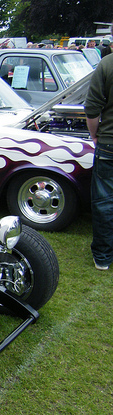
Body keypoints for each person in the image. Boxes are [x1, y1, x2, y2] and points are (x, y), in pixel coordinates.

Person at [85, 50, 113, 270]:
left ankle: (103, 257)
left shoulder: (106, 64)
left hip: (109, 141)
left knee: (104, 202)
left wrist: (95, 135)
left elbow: (93, 107)